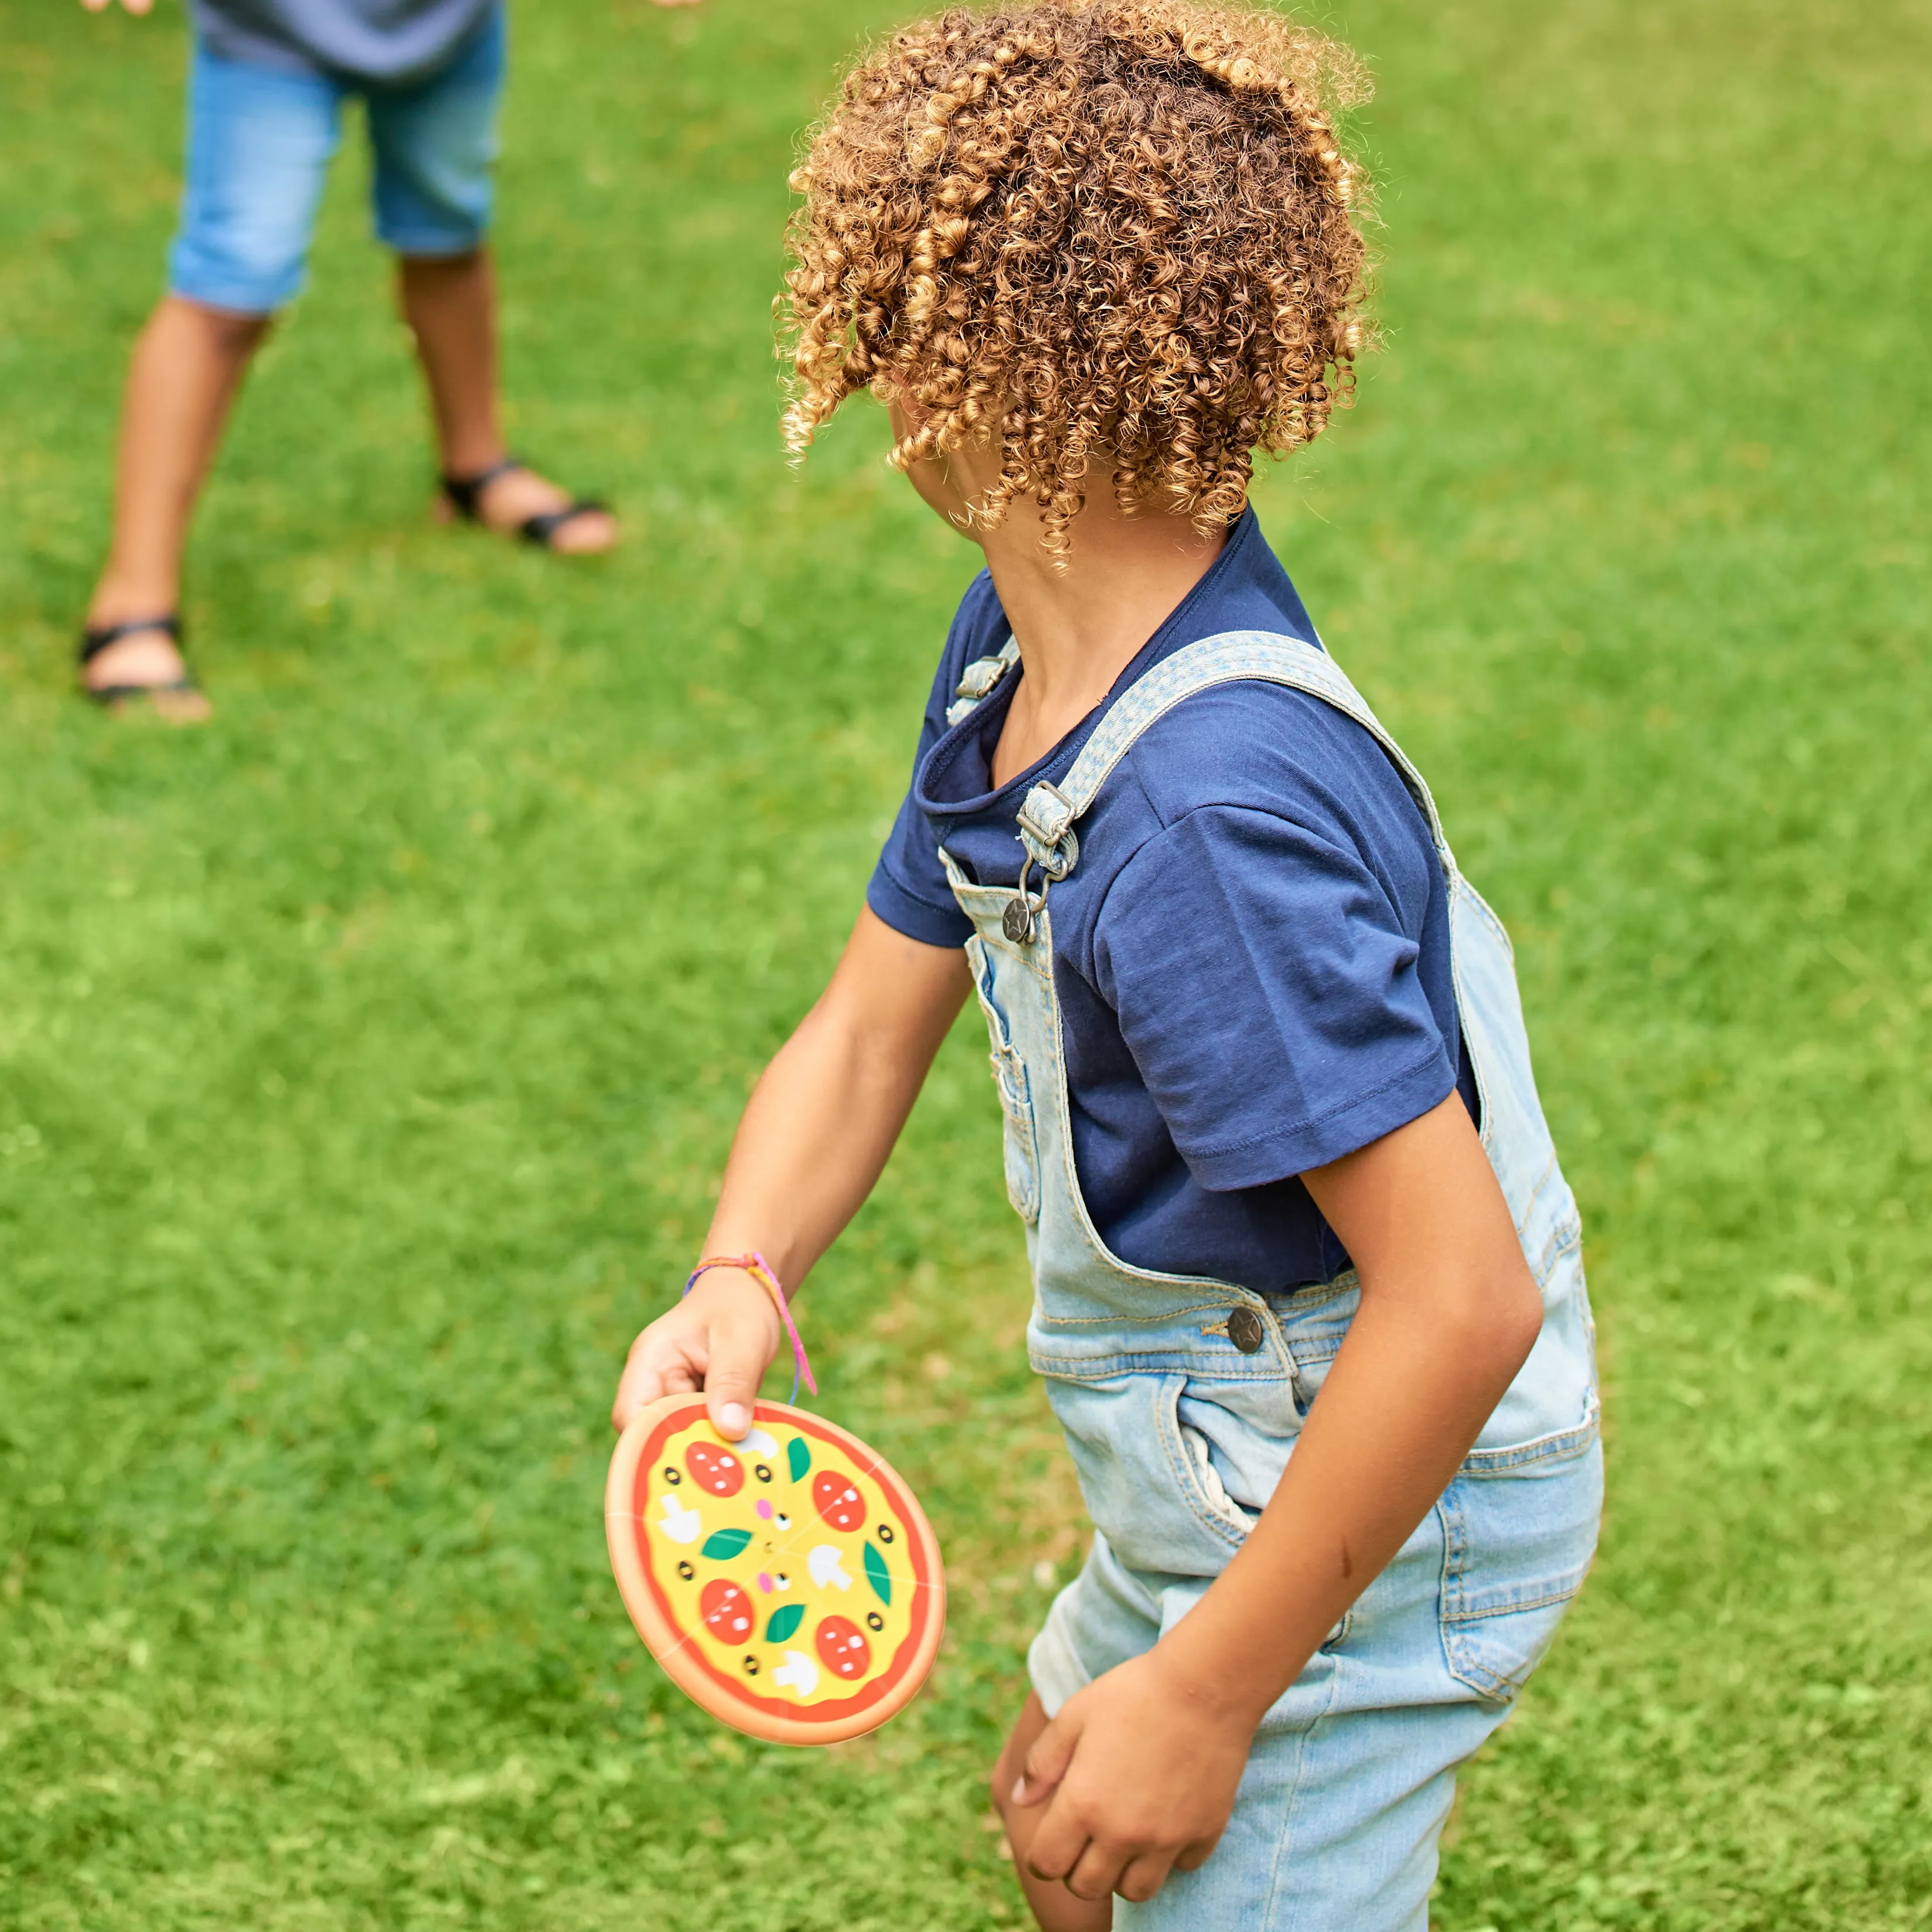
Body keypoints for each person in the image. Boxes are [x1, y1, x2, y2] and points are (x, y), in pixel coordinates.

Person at [611, 2, 1603, 1925]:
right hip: (1221, 1449)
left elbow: (1457, 1300)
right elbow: (862, 1015)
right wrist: (742, 1267)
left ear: (947, 380)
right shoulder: (1017, 654)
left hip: (1383, 1486)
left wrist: (1212, 1686)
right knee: (1069, 1824)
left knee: (1151, 1807)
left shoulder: (1198, 832)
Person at [76, 0, 638, 717]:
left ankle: (476, 468)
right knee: (231, 283)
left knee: (447, 229)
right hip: (270, 32)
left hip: (445, 26)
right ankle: (133, 600)